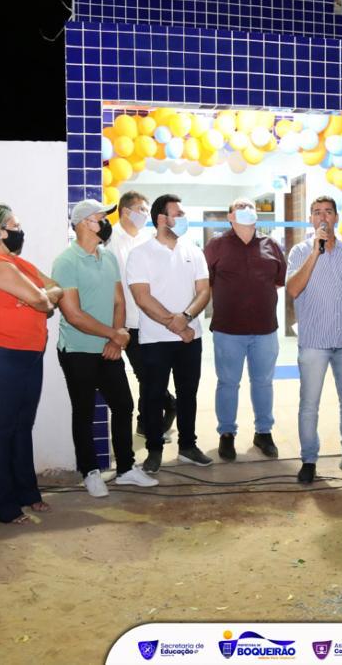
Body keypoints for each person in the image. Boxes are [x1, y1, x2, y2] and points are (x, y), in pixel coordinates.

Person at [53, 199, 158, 495]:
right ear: (84, 224)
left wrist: (115, 338)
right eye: (100, 218)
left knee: (123, 405)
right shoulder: (66, 261)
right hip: (78, 350)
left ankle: (125, 468)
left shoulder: (108, 257)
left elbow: (119, 301)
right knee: (84, 411)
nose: (105, 223)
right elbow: (73, 315)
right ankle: (90, 471)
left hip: (108, 347)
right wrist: (115, 334)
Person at [0, 204, 63, 524]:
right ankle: (3, 507)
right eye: (14, 226)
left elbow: (56, 289)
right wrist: (37, 296)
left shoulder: (18, 264)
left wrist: (39, 295)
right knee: (4, 429)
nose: (20, 231)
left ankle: (27, 492)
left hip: (28, 353)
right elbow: (42, 299)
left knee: (23, 426)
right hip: (0, 355)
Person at [125, 193, 211, 473]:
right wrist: (174, 324)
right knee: (152, 396)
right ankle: (154, 450)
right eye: (178, 214)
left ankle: (188, 446)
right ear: (162, 219)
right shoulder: (140, 254)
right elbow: (142, 297)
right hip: (155, 340)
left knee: (188, 394)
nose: (184, 218)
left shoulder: (193, 251)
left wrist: (185, 319)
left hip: (190, 338)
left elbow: (204, 291)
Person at [286, 196, 342, 484]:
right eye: (317, 212)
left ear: (336, 217)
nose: (323, 217)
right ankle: (309, 460)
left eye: (328, 212)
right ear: (311, 219)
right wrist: (315, 253)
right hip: (314, 342)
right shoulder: (299, 251)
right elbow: (293, 289)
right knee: (309, 404)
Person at [204, 197, 286, 461]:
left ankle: (263, 433)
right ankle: (227, 434)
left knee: (263, 383)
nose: (246, 210)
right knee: (228, 383)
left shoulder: (271, 245)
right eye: (240, 207)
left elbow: (278, 281)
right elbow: (206, 282)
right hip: (228, 330)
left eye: (250, 206)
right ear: (230, 217)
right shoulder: (216, 246)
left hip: (265, 329)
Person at [107, 190, 176, 441]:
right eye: (142, 210)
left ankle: (146, 422)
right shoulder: (111, 241)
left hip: (151, 318)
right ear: (126, 211)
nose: (146, 215)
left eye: (148, 210)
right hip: (126, 321)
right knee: (146, 375)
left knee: (151, 374)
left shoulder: (148, 239)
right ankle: (162, 411)